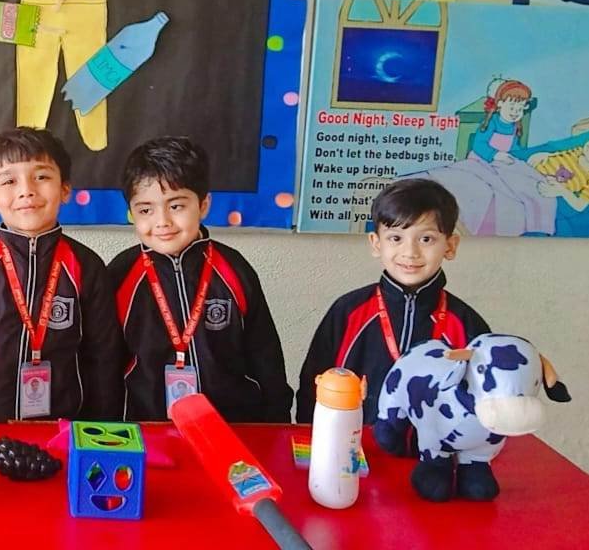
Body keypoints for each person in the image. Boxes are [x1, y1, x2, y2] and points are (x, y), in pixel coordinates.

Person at [0, 127, 125, 421]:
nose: (27, 191)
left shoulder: (86, 267)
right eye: (9, 181)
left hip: (63, 428)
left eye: (42, 177)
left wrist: (98, 430)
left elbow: (103, 358)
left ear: (65, 190)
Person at [108, 136, 293, 422]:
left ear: (203, 205)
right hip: (147, 427)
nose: (162, 222)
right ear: (132, 213)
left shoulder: (233, 269)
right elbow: (105, 363)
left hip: (232, 426)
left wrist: (276, 426)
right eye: (146, 210)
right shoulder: (121, 274)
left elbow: (265, 356)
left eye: (176, 206)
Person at [297, 178, 491, 425]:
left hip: (434, 449)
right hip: (351, 444)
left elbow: (486, 401)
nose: (410, 252)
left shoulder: (466, 325)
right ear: (376, 243)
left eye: (426, 239)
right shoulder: (348, 311)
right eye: (396, 238)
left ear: (450, 246)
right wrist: (312, 436)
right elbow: (312, 387)